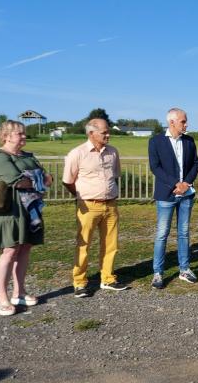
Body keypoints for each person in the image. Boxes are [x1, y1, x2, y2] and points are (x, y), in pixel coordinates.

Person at [0, 120, 53, 316]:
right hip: (11, 210)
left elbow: (47, 178)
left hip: (30, 209)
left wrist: (34, 178)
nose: (24, 137)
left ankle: (19, 292)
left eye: (24, 134)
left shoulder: (27, 156)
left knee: (25, 247)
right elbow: (15, 181)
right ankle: (1, 297)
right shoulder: (0, 156)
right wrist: (37, 179)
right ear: (6, 136)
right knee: (9, 250)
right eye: (20, 134)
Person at [63, 118, 129, 298]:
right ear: (91, 133)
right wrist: (81, 196)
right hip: (88, 206)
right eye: (104, 132)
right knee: (83, 244)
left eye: (108, 131)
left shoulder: (113, 152)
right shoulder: (77, 153)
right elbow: (68, 181)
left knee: (111, 244)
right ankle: (79, 282)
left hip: (111, 205)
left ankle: (107, 278)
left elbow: (114, 176)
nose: (108, 135)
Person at [148, 108, 198, 289]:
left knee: (184, 233)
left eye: (186, 121)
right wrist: (175, 184)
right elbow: (155, 167)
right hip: (166, 195)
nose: (186, 124)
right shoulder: (156, 141)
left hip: (186, 195)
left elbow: (195, 163)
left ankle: (184, 269)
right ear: (172, 122)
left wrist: (186, 183)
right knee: (162, 234)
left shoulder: (189, 141)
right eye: (183, 121)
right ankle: (158, 273)